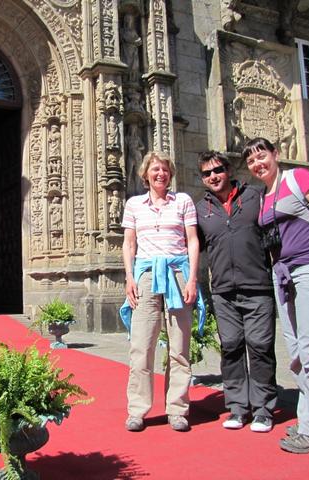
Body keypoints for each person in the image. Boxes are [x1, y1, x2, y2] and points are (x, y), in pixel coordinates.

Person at [243, 137, 309, 454]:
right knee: (297, 351)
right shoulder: (263, 196)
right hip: (282, 275)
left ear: (275, 154)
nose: (259, 163)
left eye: (262, 156)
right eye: (252, 161)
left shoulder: (298, 178)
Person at [119, 151, 204, 433]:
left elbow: (192, 241)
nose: (160, 174)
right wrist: (129, 277)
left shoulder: (183, 201)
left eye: (165, 169)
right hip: (145, 276)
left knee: (179, 347)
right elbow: (129, 244)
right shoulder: (134, 204)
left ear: (171, 174)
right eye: (155, 169)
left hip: (178, 274)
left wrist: (193, 279)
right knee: (141, 347)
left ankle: (177, 409)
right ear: (145, 174)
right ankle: (138, 410)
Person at [195, 151, 277, 433]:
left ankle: (264, 409)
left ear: (228, 170)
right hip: (223, 291)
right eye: (206, 174)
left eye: (217, 170)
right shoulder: (200, 210)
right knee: (230, 347)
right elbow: (192, 246)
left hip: (257, 287)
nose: (213, 177)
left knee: (260, 346)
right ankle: (238, 408)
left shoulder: (255, 196)